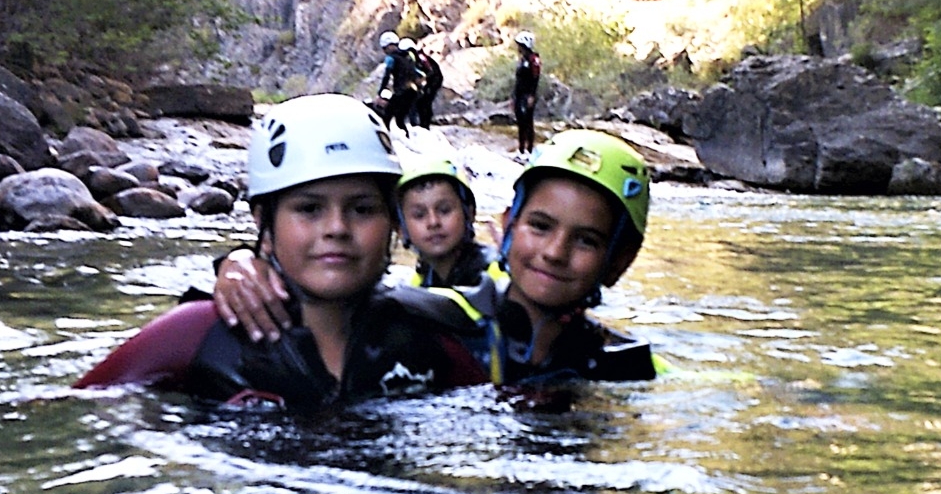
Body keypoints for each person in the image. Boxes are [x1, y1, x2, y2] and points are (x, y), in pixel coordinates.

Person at [76, 95, 486, 413]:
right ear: (263, 225)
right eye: (309, 209)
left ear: (394, 224)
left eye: (362, 209)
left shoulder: (429, 338)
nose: (337, 228)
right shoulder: (197, 334)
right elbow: (69, 409)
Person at [215, 129, 657, 385]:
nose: (554, 252)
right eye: (539, 226)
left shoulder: (623, 359)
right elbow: (329, 295)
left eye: (586, 241)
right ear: (506, 226)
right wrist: (241, 262)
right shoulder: (441, 315)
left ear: (619, 260)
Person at [396, 154, 498, 288]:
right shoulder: (417, 284)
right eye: (419, 215)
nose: (433, 222)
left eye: (444, 210)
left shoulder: (497, 278)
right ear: (401, 229)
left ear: (470, 213)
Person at [373, 31, 421, 132]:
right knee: (400, 119)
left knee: (387, 116)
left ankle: (385, 140)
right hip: (414, 91)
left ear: (389, 46)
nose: (385, 51)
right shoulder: (407, 56)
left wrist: (380, 93)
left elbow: (387, 76)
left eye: (385, 48)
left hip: (402, 91)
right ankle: (410, 137)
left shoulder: (390, 58)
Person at [511, 30, 540, 156]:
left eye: (520, 45)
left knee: (528, 122)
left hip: (527, 95)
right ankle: (521, 149)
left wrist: (532, 96)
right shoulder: (522, 60)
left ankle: (529, 150)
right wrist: (513, 97)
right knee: (520, 123)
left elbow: (535, 79)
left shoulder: (533, 59)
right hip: (519, 95)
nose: (518, 48)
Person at [408, 42, 443, 130]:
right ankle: (423, 123)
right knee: (421, 102)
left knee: (425, 101)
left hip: (434, 80)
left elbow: (430, 72)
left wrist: (424, 82)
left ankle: (425, 124)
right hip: (430, 80)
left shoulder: (420, 57)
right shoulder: (415, 57)